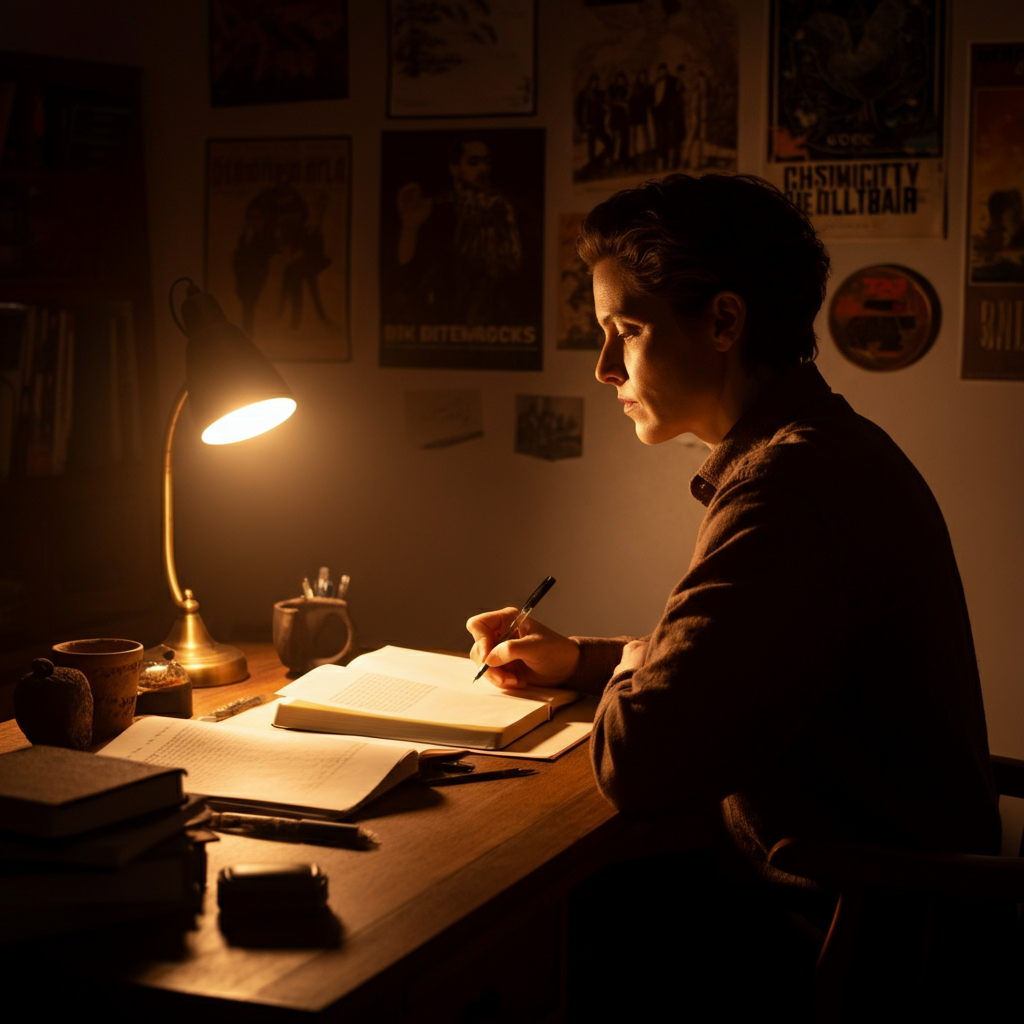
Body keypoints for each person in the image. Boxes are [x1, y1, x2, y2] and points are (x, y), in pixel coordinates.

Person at [467, 174, 1003, 1017]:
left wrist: (634, 676)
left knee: (493, 957)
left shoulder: (787, 490)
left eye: (626, 330)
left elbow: (643, 762)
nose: (605, 367)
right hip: (866, 897)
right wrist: (587, 660)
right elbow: (736, 665)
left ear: (723, 321)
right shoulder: (828, 449)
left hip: (856, 936)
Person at [390, 138, 521, 325]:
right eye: (473, 162)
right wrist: (410, 225)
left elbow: (513, 262)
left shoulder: (500, 207)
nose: (482, 169)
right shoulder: (439, 207)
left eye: (487, 162)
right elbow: (408, 269)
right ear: (454, 168)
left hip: (486, 308)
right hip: (445, 309)